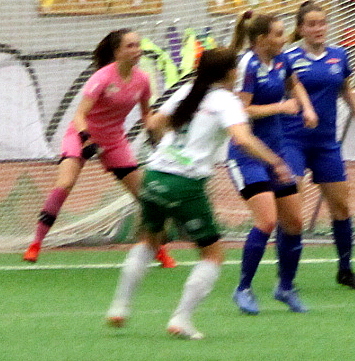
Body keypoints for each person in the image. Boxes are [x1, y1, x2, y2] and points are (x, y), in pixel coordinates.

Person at [104, 49, 296, 338]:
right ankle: (181, 319)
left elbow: (153, 124)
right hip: (185, 183)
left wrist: (169, 150)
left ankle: (119, 307)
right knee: (212, 254)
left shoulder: (187, 91)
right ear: (230, 73)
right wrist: (275, 161)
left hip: (154, 175)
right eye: (235, 68)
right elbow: (243, 139)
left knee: (148, 239)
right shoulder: (227, 101)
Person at [24, 28, 171, 267]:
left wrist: (160, 133)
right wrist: (87, 140)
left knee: (145, 196)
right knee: (65, 184)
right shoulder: (102, 77)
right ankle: (36, 244)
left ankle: (159, 250)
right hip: (81, 134)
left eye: (138, 45)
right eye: (130, 46)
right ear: (117, 52)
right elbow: (79, 115)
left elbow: (147, 115)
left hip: (114, 140)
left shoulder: (143, 79)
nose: (137, 50)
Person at [281, 1, 355, 290]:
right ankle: (286, 277)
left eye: (322, 23)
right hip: (292, 141)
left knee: (341, 206)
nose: (318, 29)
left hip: (326, 143)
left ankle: (345, 270)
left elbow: (347, 91)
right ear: (301, 29)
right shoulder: (288, 58)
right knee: (292, 210)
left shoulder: (339, 56)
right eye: (311, 24)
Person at [228, 11, 316, 315]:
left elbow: (295, 84)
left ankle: (285, 287)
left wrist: (306, 108)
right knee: (266, 221)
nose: (284, 38)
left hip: (276, 155)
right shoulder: (248, 65)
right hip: (247, 156)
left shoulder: (282, 60)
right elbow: (242, 111)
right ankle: (243, 289)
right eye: (278, 34)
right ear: (262, 38)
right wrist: (281, 107)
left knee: (293, 223)